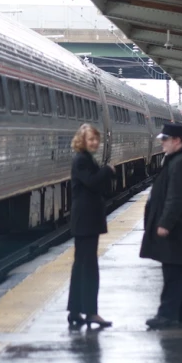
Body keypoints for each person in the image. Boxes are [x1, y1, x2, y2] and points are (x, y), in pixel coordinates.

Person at [140, 123, 182, 329]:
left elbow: (176, 197)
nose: (162, 144)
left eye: (165, 139)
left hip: (178, 229)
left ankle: (167, 314)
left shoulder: (179, 162)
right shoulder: (181, 159)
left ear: (177, 140)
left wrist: (165, 223)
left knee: (173, 272)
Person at [67, 123, 115, 328]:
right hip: (85, 220)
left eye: (96, 139)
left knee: (81, 266)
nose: (95, 143)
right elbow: (92, 182)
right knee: (88, 267)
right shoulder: (81, 161)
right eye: (91, 139)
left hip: (86, 220)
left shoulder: (86, 159)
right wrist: (108, 171)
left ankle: (76, 310)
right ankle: (91, 313)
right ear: (82, 141)